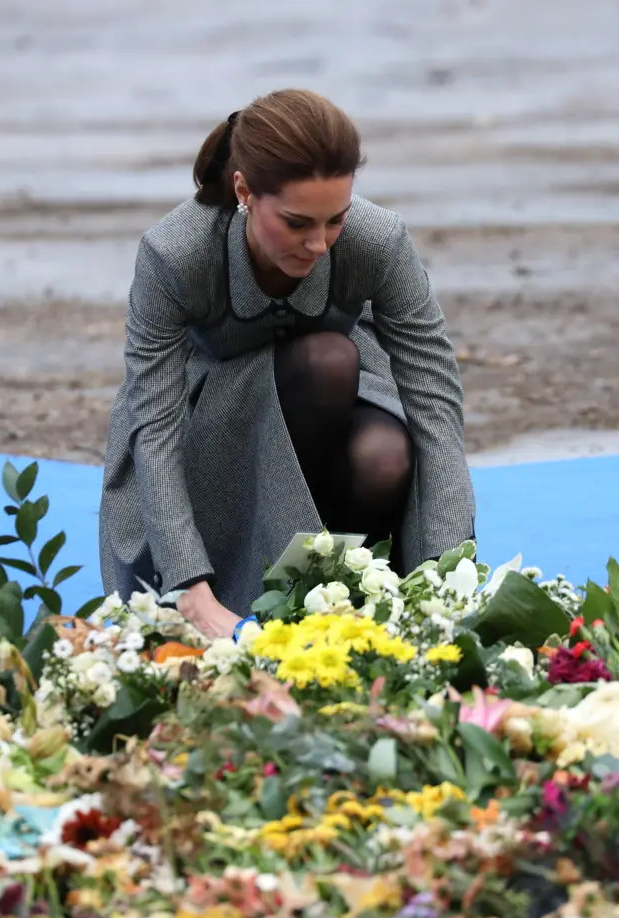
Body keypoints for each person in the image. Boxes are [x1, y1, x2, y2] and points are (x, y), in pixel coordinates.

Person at [99, 88, 475, 639]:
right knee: (327, 359)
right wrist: (192, 591)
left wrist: (445, 581)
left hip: (344, 400)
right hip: (211, 427)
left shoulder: (380, 240)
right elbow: (153, 428)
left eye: (336, 220)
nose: (319, 244)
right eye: (297, 223)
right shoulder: (173, 253)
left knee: (384, 454)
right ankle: (260, 586)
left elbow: (434, 400)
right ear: (245, 190)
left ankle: (359, 594)